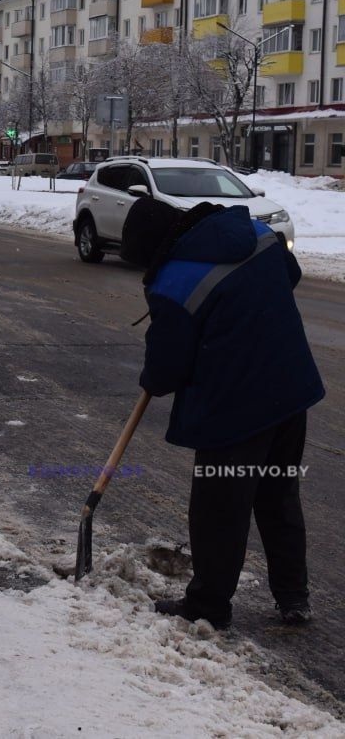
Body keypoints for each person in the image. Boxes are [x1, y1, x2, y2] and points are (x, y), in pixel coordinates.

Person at [123, 197, 324, 629]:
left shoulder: (175, 281)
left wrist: (155, 373)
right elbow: (291, 276)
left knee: (219, 508)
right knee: (277, 492)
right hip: (289, 387)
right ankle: (294, 596)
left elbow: (166, 371)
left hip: (235, 407)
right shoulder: (256, 233)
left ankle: (208, 608)